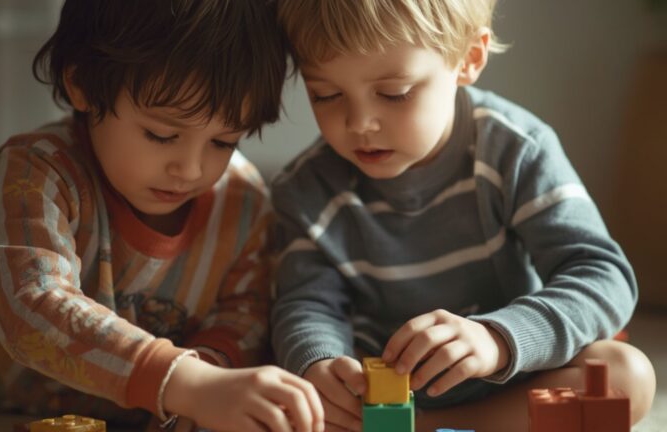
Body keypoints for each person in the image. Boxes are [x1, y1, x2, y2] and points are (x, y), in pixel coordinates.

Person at [269, 1, 655, 431]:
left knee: (625, 375)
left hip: (507, 379)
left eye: (394, 93)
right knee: (286, 392)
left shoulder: (515, 149)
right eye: (326, 94)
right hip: (375, 397)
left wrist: (498, 339)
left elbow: (603, 275)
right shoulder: (304, 189)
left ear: (469, 59)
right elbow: (306, 303)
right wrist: (322, 365)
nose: (359, 122)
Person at [0, 1, 324, 431]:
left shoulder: (242, 199)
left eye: (223, 141)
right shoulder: (37, 170)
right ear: (82, 85)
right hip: (16, 404)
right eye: (162, 134)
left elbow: (243, 312)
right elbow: (33, 307)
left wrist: (207, 381)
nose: (190, 169)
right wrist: (187, 383)